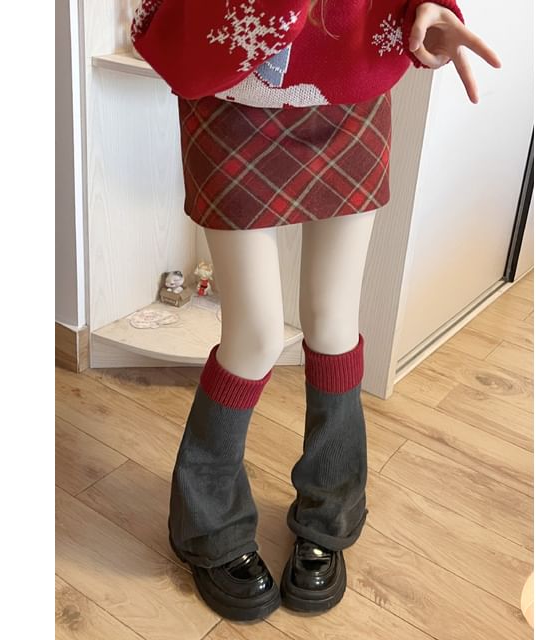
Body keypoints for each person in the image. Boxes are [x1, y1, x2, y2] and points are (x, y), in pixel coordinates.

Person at [132, 0, 501, 622]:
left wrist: (428, 7)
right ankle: (206, 521)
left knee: (333, 321)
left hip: (351, 81)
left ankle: (332, 509)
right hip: (229, 89)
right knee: (252, 335)